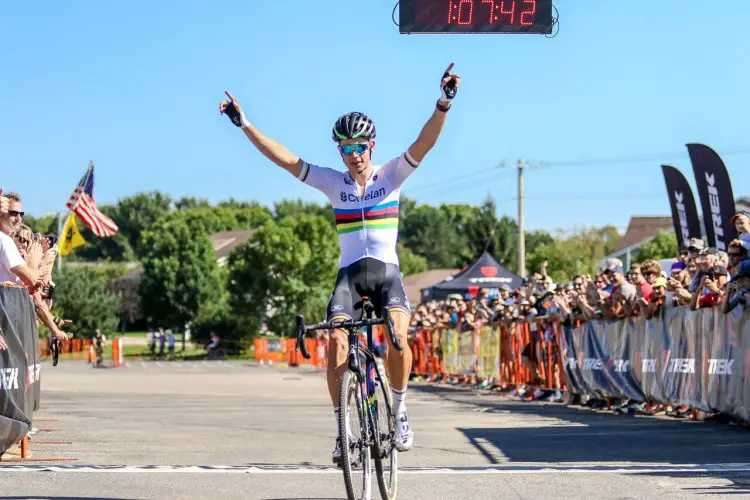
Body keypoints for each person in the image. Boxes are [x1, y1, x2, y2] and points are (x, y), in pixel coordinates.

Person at [219, 63, 461, 461]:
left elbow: (425, 142)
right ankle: (341, 429)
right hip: (349, 277)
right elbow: (286, 160)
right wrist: (245, 124)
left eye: (358, 148)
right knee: (334, 343)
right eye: (345, 149)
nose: (352, 156)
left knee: (399, 337)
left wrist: (444, 103)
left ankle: (399, 413)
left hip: (387, 275)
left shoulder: (391, 175)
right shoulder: (333, 182)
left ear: (371, 146)